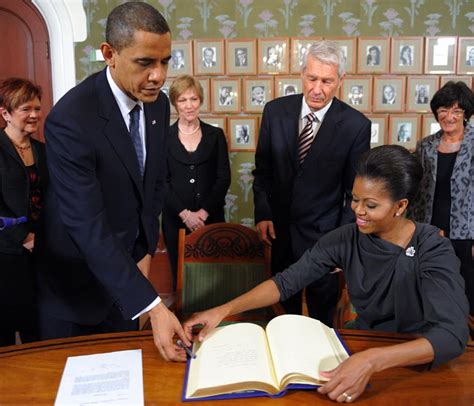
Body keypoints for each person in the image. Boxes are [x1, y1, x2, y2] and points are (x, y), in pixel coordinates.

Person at [184, 145, 469, 403]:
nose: (358, 211)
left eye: (370, 205)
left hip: (415, 358)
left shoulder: (432, 248)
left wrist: (373, 361)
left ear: (401, 206)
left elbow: (452, 335)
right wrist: (223, 310)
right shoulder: (346, 238)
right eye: (355, 199)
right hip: (364, 346)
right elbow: (286, 282)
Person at [35, 2, 190, 361]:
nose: (158, 76)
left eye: (165, 61)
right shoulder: (70, 120)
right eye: (145, 63)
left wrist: (146, 251)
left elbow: (153, 185)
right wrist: (153, 304)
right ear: (109, 54)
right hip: (74, 291)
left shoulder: (156, 105)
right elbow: (86, 226)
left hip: (126, 284)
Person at [252, 40, 371, 325]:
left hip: (324, 237)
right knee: (282, 314)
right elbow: (263, 171)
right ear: (302, 74)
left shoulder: (356, 126)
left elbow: (352, 194)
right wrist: (264, 213)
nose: (318, 89)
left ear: (341, 80)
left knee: (322, 317)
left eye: (327, 81)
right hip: (279, 232)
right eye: (312, 78)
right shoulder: (275, 112)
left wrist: (342, 242)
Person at [410, 81, 474, 340]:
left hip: (467, 232)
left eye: (456, 111)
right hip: (429, 228)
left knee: (468, 289)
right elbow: (414, 189)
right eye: (444, 110)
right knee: (429, 285)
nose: (449, 116)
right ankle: (435, 339)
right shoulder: (426, 145)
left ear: (466, 114)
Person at [162, 75, 230, 289]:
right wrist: (185, 214)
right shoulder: (163, 137)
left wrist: (203, 213)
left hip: (211, 219)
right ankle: (183, 321)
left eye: (194, 99)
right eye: (183, 100)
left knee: (214, 279)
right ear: (175, 103)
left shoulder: (215, 135)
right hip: (176, 222)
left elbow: (223, 178)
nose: (189, 106)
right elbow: (161, 182)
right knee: (182, 280)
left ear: (200, 101)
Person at [0, 78, 48, 346]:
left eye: (37, 108)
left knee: (37, 326)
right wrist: (24, 237)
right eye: (26, 109)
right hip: (6, 254)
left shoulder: (43, 150)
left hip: (41, 252)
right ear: (5, 113)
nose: (34, 115)